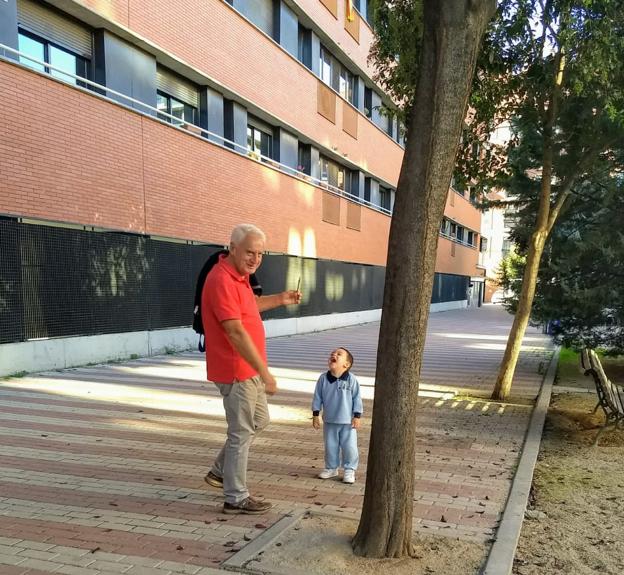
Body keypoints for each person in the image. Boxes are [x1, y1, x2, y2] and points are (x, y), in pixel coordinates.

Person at [202, 224, 301, 514]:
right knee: (241, 432)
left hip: (248, 370)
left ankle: (220, 471)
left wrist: (281, 298)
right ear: (232, 247)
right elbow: (234, 331)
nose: (255, 259)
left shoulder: (239, 277)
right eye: (249, 252)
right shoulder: (221, 279)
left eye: (260, 254)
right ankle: (236, 496)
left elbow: (250, 307)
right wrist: (265, 372)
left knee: (258, 421)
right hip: (236, 370)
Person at [312, 347, 362, 484]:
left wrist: (357, 416)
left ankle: (349, 469)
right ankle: (331, 467)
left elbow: (357, 398)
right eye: (332, 353)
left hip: (348, 422)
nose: (334, 354)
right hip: (329, 421)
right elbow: (317, 397)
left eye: (339, 354)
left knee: (350, 447)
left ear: (346, 364)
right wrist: (315, 414)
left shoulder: (352, 380)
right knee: (330, 446)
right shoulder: (323, 379)